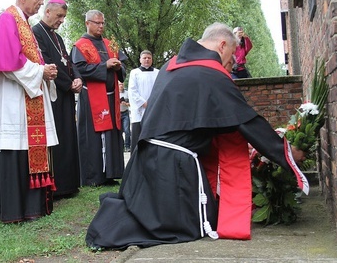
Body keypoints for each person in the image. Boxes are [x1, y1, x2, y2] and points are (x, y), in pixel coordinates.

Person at [86, 22, 308, 249]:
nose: (229, 65)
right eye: (231, 56)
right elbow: (247, 121)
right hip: (173, 167)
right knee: (195, 226)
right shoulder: (210, 73)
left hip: (146, 162)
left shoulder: (170, 66)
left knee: (173, 215)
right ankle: (113, 223)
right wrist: (287, 153)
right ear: (222, 45)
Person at [0, 0, 58, 223]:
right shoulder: (8, 19)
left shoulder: (25, 24)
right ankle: (16, 210)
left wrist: (45, 72)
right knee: (16, 148)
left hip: (28, 94)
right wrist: (40, 72)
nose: (40, 3)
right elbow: (8, 61)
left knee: (28, 147)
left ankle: (31, 207)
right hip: (15, 101)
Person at [32, 0, 82, 197]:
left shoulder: (58, 37)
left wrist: (77, 78)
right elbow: (48, 62)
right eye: (59, 16)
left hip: (66, 94)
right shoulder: (37, 33)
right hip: (53, 94)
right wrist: (68, 84)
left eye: (64, 17)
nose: (61, 20)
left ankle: (70, 185)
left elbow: (68, 61)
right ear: (48, 12)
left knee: (68, 138)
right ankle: (58, 187)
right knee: (57, 139)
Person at [71, 10, 126, 186]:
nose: (101, 26)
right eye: (97, 23)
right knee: (92, 137)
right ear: (87, 23)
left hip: (111, 98)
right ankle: (93, 176)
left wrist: (118, 68)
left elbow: (122, 65)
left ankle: (111, 174)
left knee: (111, 136)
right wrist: (105, 65)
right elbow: (80, 70)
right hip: (92, 97)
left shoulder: (111, 44)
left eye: (103, 23)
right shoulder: (80, 46)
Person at [128, 50, 159, 152]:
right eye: (144, 58)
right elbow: (132, 91)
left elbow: (159, 89)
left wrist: (153, 103)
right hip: (139, 110)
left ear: (152, 60)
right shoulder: (134, 73)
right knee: (137, 137)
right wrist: (143, 103)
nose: (147, 60)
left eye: (149, 58)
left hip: (154, 108)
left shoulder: (157, 73)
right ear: (140, 59)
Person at [118, 82, 130, 151]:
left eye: (122, 84)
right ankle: (121, 146)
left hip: (125, 112)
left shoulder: (127, 93)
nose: (121, 86)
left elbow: (131, 103)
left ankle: (127, 146)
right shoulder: (116, 93)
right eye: (119, 84)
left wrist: (125, 103)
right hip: (118, 114)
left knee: (127, 130)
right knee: (119, 131)